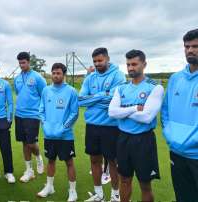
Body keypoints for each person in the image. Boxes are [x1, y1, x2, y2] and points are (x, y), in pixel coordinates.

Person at [109, 49, 164, 202]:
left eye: (134, 64)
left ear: (144, 64)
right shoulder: (121, 88)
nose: (131, 68)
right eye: (128, 64)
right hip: (123, 139)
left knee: (145, 184)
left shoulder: (155, 87)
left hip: (143, 140)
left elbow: (146, 117)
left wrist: (123, 112)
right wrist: (133, 109)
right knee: (124, 180)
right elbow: (112, 112)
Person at [78, 47, 126, 201]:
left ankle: (115, 195)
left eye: (100, 60)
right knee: (94, 160)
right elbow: (81, 100)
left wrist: (94, 98)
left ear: (107, 59)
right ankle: (99, 194)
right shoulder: (90, 78)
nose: (97, 64)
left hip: (111, 126)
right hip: (92, 125)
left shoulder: (118, 75)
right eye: (95, 61)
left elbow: (116, 100)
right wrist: (103, 95)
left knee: (112, 161)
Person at [161, 28, 198, 201]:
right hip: (176, 151)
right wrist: (170, 135)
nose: (190, 50)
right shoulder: (175, 78)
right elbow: (165, 111)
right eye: (187, 46)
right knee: (183, 197)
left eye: (196, 46)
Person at [37, 63, 79, 202]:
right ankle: (49, 187)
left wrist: (63, 128)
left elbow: (74, 113)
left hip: (65, 135)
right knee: (50, 160)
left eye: (58, 73)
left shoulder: (71, 91)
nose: (55, 75)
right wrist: (45, 126)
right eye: (53, 73)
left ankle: (72, 191)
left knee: (69, 162)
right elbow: (41, 110)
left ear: (64, 74)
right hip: (49, 134)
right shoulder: (46, 90)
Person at [14, 51, 46, 183]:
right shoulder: (17, 78)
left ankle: (38, 157)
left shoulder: (38, 77)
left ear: (29, 62)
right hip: (19, 114)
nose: (22, 65)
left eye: (24, 62)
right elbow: (18, 93)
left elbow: (44, 95)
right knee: (24, 142)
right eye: (20, 63)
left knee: (31, 143)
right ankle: (29, 170)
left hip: (33, 115)